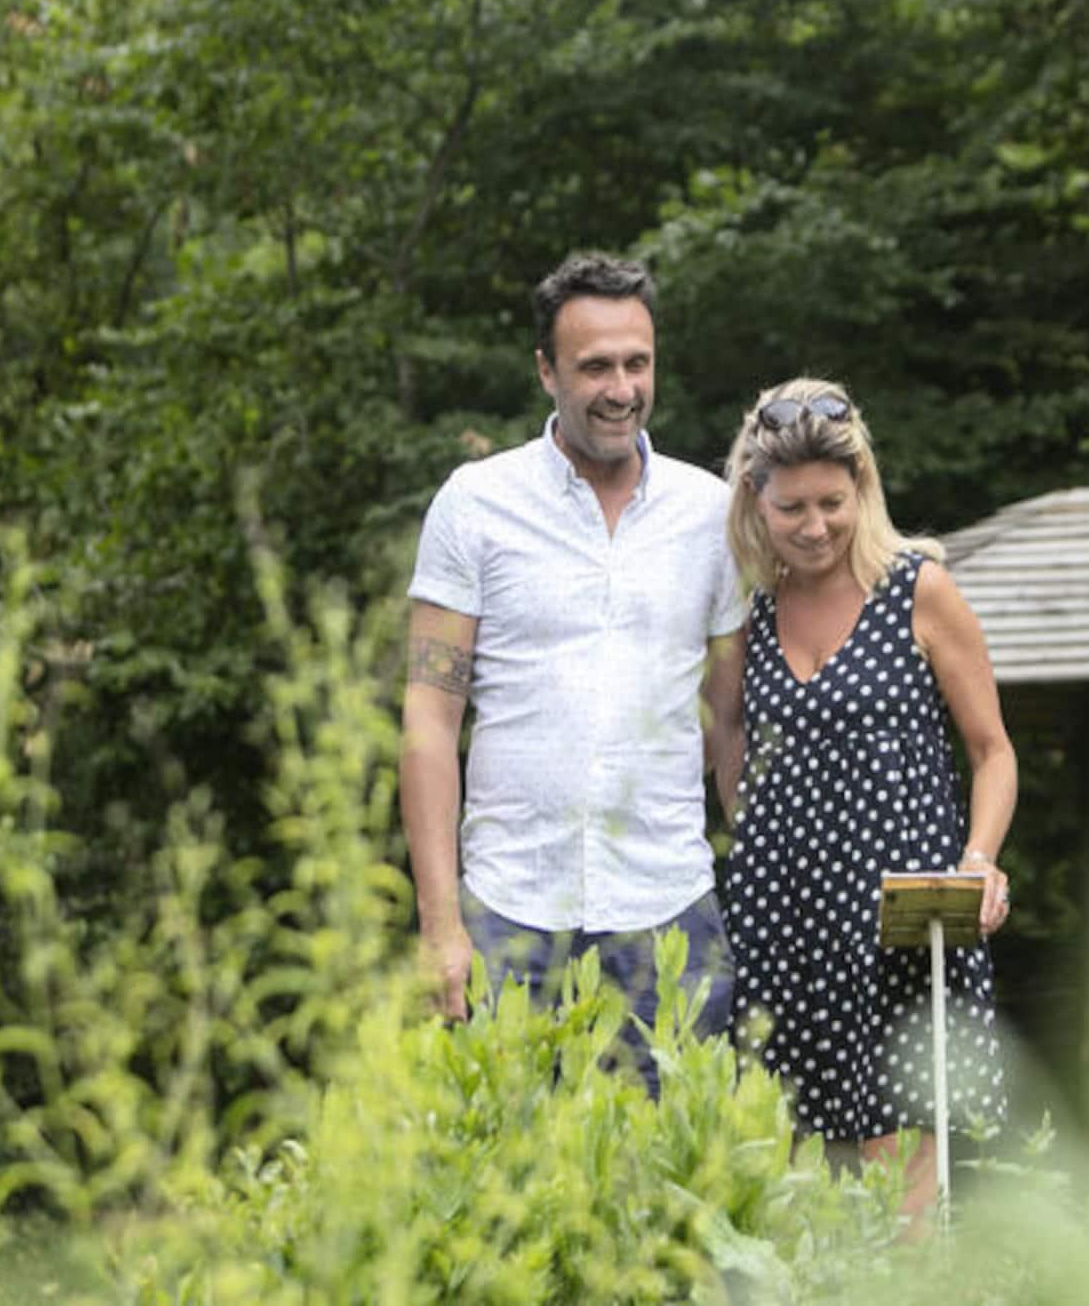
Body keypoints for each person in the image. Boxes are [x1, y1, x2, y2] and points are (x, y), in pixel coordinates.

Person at [398, 253, 745, 1095]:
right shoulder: (476, 504)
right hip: (507, 914)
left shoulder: (711, 515)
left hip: (668, 914)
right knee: (500, 1166)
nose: (621, 388)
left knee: (671, 1166)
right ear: (546, 371)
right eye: (595, 367)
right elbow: (429, 721)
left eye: (637, 363)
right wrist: (440, 924)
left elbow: (729, 721)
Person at [711, 377, 1014, 1231]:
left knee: (904, 1200)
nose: (814, 526)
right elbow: (724, 733)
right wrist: (755, 836)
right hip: (785, 928)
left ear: (862, 491)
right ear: (756, 501)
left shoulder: (919, 588)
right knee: (794, 1194)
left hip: (902, 926)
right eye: (792, 507)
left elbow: (993, 752)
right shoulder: (749, 614)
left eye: (832, 504)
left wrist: (977, 860)